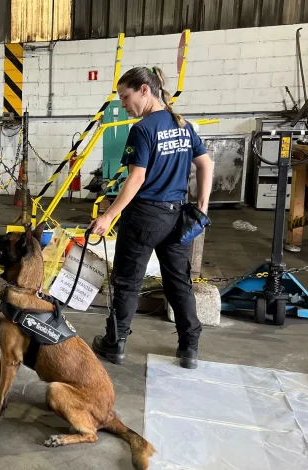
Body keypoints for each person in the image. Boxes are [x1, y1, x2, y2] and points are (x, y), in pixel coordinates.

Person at [89, 66, 214, 369]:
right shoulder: (182, 125)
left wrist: (108, 216)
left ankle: (115, 344)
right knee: (178, 283)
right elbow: (206, 164)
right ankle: (189, 348)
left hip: (144, 216)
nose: (122, 104)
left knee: (128, 282)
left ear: (144, 90)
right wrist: (201, 209)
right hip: (178, 217)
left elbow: (136, 178)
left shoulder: (143, 129)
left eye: (125, 96)